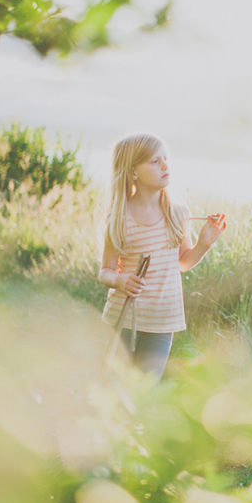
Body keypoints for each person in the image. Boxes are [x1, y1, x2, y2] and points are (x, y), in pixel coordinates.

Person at [98, 133, 226, 379]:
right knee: (115, 385)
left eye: (165, 159)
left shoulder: (177, 213)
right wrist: (120, 281)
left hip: (163, 319)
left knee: (146, 388)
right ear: (133, 172)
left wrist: (204, 244)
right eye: (154, 162)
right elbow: (105, 272)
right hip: (122, 317)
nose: (165, 165)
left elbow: (183, 262)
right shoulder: (119, 218)